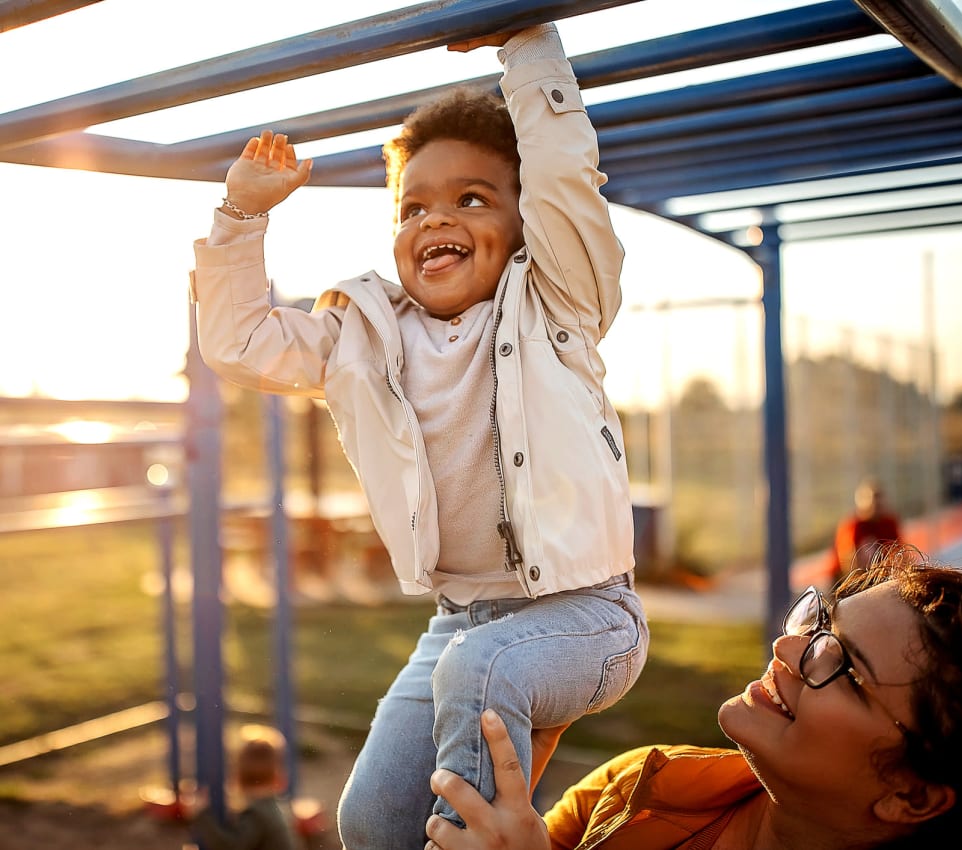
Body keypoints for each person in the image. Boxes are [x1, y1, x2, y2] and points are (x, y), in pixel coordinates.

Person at [189, 22, 649, 850]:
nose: (437, 217)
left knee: (478, 681)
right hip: (461, 620)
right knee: (366, 821)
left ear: (522, 224)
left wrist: (529, 48)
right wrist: (239, 215)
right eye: (414, 206)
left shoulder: (556, 305)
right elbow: (240, 343)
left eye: (472, 197)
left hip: (589, 616)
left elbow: (564, 178)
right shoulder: (363, 335)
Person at [425, 546, 962, 850]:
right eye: (819, 622)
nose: (787, 647)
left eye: (843, 667)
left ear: (913, 796)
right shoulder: (643, 784)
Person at [181, 724, 297, 850]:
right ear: (277, 776)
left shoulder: (257, 815)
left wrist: (201, 815)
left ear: (238, 776)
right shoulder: (272, 807)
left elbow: (230, 847)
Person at [828, 477, 904, 587]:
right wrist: (860, 585)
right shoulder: (853, 525)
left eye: (880, 500)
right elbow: (848, 560)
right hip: (844, 579)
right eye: (873, 500)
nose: (877, 505)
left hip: (876, 575)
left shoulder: (889, 523)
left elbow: (900, 552)